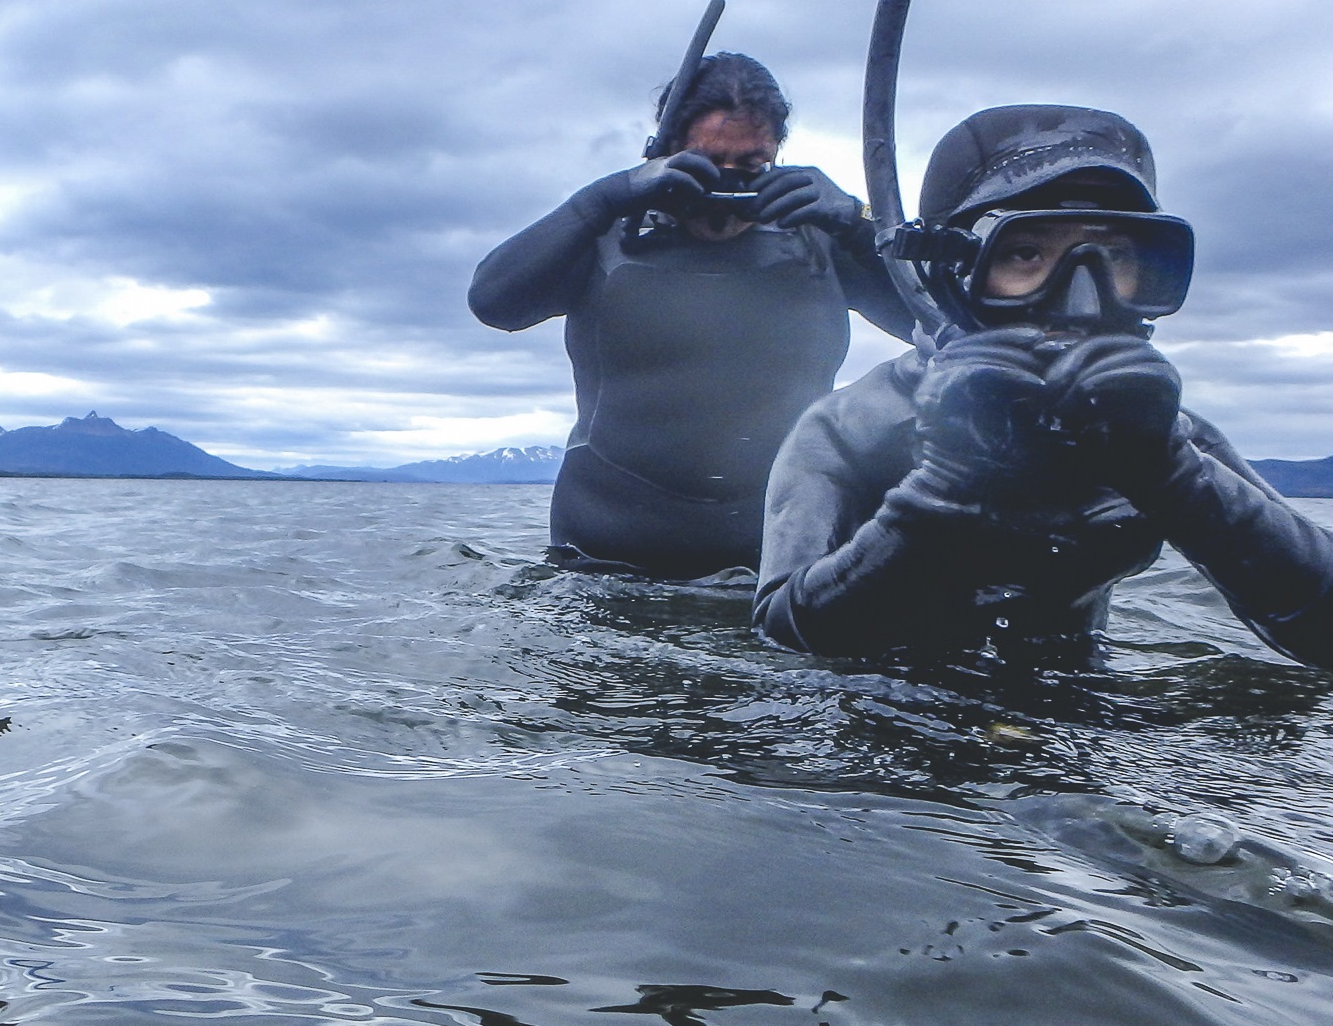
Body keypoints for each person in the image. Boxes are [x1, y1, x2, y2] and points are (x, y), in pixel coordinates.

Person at [754, 104, 1333, 668]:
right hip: (873, 715)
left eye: (1113, 256)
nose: (1080, 301)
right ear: (953, 270)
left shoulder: (1165, 439)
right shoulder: (849, 428)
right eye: (1026, 253)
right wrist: (943, 496)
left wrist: (1170, 474)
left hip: (1079, 714)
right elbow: (783, 634)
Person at [469, 53, 910, 580]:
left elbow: (941, 325)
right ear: (667, 152)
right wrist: (601, 200)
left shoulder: (819, 242)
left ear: (776, 155)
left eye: (750, 167)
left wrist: (858, 223)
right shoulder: (606, 238)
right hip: (603, 554)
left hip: (783, 555)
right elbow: (493, 302)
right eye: (706, 166)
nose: (723, 195)